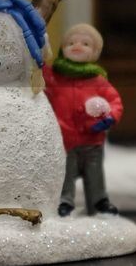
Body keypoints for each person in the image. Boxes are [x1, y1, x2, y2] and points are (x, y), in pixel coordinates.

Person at [43, 24, 123, 217]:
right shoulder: (56, 77)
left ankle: (98, 202)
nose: (77, 46)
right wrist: (41, 50)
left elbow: (115, 102)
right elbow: (41, 73)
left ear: (95, 52)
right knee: (66, 173)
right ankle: (65, 202)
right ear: (63, 48)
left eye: (85, 43)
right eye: (70, 43)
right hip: (65, 139)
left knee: (94, 173)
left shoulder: (99, 81)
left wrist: (110, 117)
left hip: (92, 139)